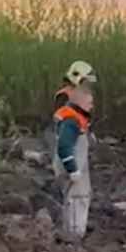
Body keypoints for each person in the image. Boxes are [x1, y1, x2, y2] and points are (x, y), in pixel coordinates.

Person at [54, 85, 94, 241]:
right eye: (90, 102)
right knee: (78, 197)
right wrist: (73, 169)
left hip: (70, 167)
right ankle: (74, 235)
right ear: (80, 101)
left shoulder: (73, 117)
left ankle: (70, 232)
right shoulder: (72, 120)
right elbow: (64, 147)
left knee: (72, 198)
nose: (92, 106)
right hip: (72, 168)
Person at [52, 61, 97, 178]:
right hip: (70, 158)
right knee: (76, 194)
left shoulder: (76, 97)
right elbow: (64, 144)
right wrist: (72, 169)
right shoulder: (66, 98)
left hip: (74, 152)